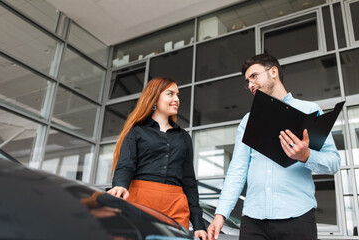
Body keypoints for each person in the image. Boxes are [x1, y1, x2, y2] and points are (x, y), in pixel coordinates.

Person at [207, 53, 341, 240]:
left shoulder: (310, 110)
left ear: (273, 72)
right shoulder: (248, 120)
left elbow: (334, 162)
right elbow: (237, 170)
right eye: (247, 81)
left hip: (298, 217)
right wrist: (220, 214)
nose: (251, 85)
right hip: (253, 221)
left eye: (254, 76)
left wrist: (306, 155)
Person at [107, 77, 207, 240]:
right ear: (154, 98)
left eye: (177, 95)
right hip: (140, 200)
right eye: (170, 94)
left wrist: (198, 225)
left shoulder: (184, 137)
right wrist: (120, 185)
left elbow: (189, 180)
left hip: (176, 203)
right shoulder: (136, 132)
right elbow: (126, 165)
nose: (176, 99)